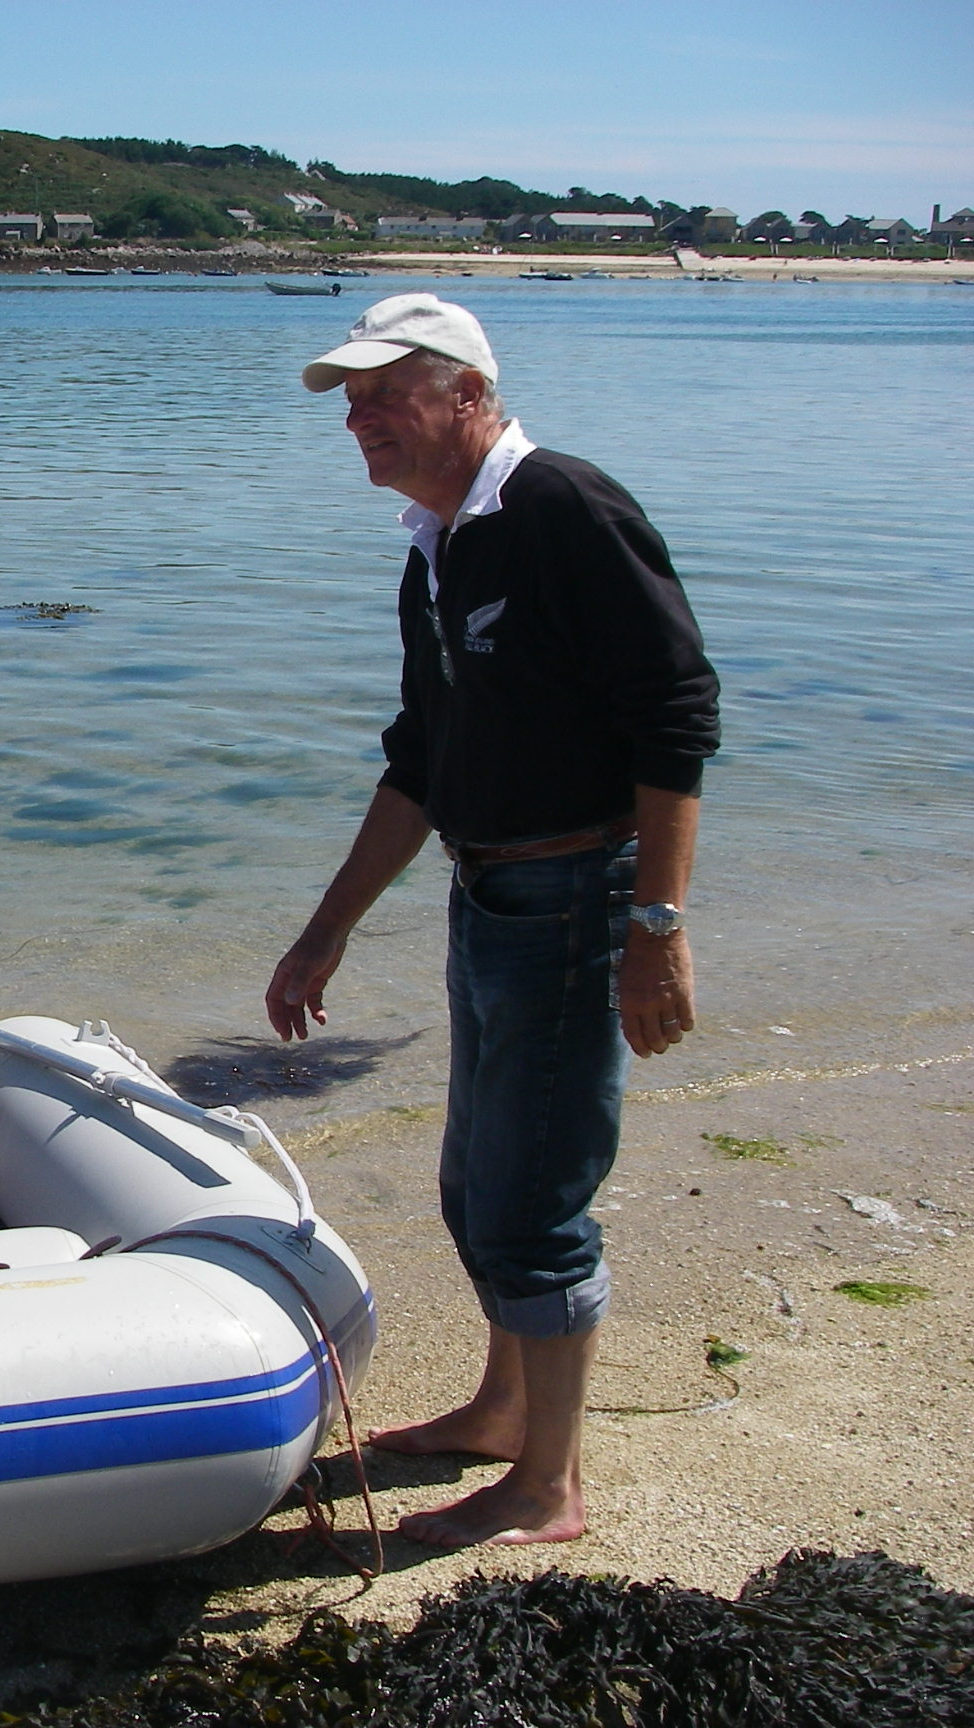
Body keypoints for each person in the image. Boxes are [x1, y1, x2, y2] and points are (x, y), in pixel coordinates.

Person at [266, 294, 719, 1547]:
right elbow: (423, 756)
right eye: (351, 402)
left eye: (385, 395)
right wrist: (326, 930)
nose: (359, 420)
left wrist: (658, 926)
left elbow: (678, 712)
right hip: (490, 895)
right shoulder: (439, 542)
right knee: (478, 1184)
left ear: (469, 392)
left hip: (578, 902)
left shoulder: (564, 507)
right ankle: (504, 1410)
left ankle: (550, 1485)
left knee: (534, 1198)